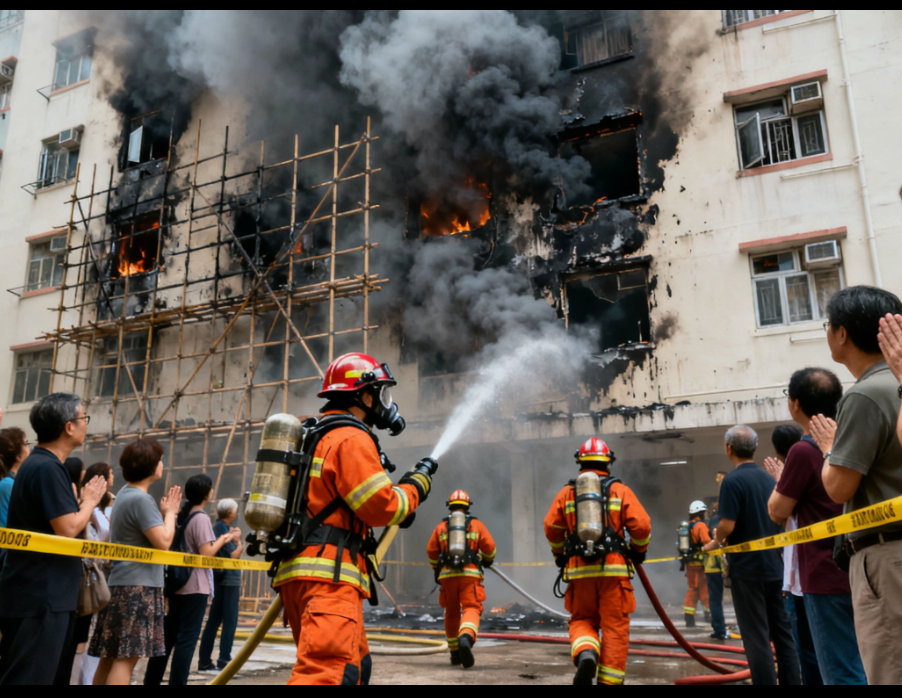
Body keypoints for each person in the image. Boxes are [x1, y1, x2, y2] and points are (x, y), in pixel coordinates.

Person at [271, 352, 438, 685]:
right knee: (327, 674)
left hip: (303, 575)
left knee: (356, 667)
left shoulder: (316, 434)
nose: (385, 403)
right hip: (328, 579)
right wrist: (414, 488)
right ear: (362, 394)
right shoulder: (351, 437)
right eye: (380, 393)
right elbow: (381, 505)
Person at [809, 286, 902, 684]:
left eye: (829, 325)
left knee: (888, 666)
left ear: (842, 334)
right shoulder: (893, 385)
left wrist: (829, 450)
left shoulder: (864, 395)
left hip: (885, 556)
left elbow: (839, 488)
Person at [766, 368, 866, 684]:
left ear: (795, 404)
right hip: (862, 566)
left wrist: (780, 481)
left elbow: (777, 511)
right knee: (864, 660)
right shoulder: (855, 435)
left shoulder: (803, 451)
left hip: (823, 575)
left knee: (837, 670)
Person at [0, 393, 107, 685]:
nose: (86, 424)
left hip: (41, 592)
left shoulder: (41, 465)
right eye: (84, 418)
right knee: (30, 676)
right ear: (69, 426)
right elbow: (68, 528)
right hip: (41, 595)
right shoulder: (47, 468)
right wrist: (89, 501)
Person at [543, 437, 651, 685]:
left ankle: (586, 653)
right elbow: (642, 526)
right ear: (608, 463)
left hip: (580, 573)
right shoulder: (620, 491)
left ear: (580, 463)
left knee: (582, 620)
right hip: (614, 574)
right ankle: (609, 682)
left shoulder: (567, 493)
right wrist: (639, 551)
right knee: (614, 627)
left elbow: (551, 527)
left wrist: (560, 555)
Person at [703, 425, 800, 685]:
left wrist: (717, 540)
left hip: (747, 570)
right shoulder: (769, 479)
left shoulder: (732, 482)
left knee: (756, 634)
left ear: (728, 448)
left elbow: (727, 525)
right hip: (775, 566)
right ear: (755, 448)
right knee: (782, 632)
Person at [90, 438, 181, 685]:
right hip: (138, 587)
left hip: (120, 584)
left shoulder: (124, 496)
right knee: (126, 658)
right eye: (160, 459)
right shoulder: (141, 500)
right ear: (150, 465)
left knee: (110, 657)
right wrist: (171, 514)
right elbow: (163, 541)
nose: (162, 464)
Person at [144, 474, 234, 686]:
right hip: (195, 587)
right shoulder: (201, 518)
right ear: (206, 493)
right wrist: (222, 539)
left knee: (167, 640)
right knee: (187, 641)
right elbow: (206, 553)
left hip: (177, 585)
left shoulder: (183, 516)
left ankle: (151, 680)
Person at [427, 489, 496, 668]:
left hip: (447, 577)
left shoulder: (441, 527)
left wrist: (436, 569)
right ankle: (465, 637)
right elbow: (489, 547)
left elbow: (431, 551)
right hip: (469, 575)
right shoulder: (476, 525)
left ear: (450, 507)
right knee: (471, 608)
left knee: (451, 613)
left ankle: (455, 653)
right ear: (467, 507)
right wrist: (487, 560)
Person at [197, 498, 243, 672]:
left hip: (221, 581)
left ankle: (205, 660)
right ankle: (224, 659)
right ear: (231, 513)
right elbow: (233, 555)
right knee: (229, 621)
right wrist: (239, 542)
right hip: (228, 581)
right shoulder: (222, 530)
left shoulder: (221, 528)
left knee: (214, 620)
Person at [680, 500, 710, 628]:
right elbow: (707, 542)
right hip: (700, 564)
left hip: (690, 565)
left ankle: (689, 617)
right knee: (705, 589)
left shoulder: (686, 527)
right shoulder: (700, 526)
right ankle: (709, 615)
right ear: (700, 513)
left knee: (693, 589)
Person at [703, 496, 727, 640]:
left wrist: (703, 548)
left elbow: (714, 540)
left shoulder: (713, 521)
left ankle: (719, 630)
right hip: (727, 564)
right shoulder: (726, 519)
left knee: (715, 600)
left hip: (714, 566)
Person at [0, 427, 29, 528]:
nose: (29, 449)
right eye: (26, 444)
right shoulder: (7, 485)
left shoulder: (12, 482)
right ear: (17, 455)